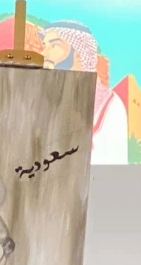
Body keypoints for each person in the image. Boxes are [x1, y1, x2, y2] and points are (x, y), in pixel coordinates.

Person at [41, 20, 128, 165]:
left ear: (78, 53)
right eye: (44, 45)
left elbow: (112, 163)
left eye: (54, 45)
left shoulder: (109, 103)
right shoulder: (43, 96)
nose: (44, 53)